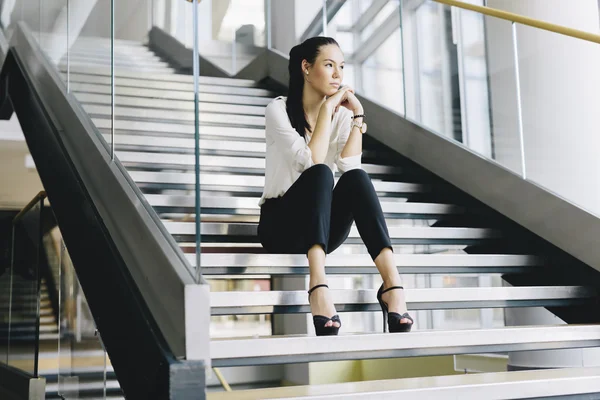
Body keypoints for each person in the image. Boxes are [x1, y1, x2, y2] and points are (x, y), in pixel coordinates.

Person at [258, 36, 414, 336]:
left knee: (357, 178)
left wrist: (357, 117)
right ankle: (318, 287)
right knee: (320, 174)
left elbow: (349, 167)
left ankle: (393, 286)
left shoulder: (342, 115)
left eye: (341, 66)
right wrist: (328, 110)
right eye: (329, 65)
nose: (338, 75)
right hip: (281, 226)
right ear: (306, 67)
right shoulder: (277, 110)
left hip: (322, 227)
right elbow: (311, 161)